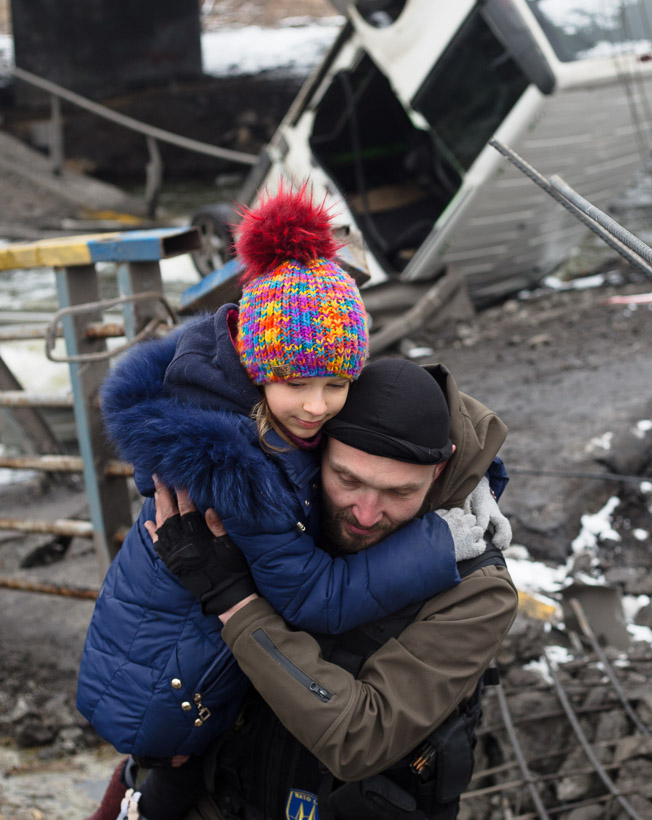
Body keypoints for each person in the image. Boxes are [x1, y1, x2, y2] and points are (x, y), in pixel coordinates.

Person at [77, 188, 491, 820]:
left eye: (336, 384)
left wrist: (479, 477)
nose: (316, 406)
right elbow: (313, 597)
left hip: (183, 675)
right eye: (296, 383)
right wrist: (442, 539)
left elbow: (408, 433)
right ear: (256, 366)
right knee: (167, 778)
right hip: (164, 686)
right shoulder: (240, 468)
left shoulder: (274, 419)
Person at [146, 358, 520, 820]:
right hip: (219, 795)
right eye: (347, 479)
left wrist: (234, 602)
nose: (365, 513)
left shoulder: (479, 592)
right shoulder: (284, 502)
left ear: (439, 471)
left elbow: (359, 739)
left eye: (399, 492)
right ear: (315, 448)